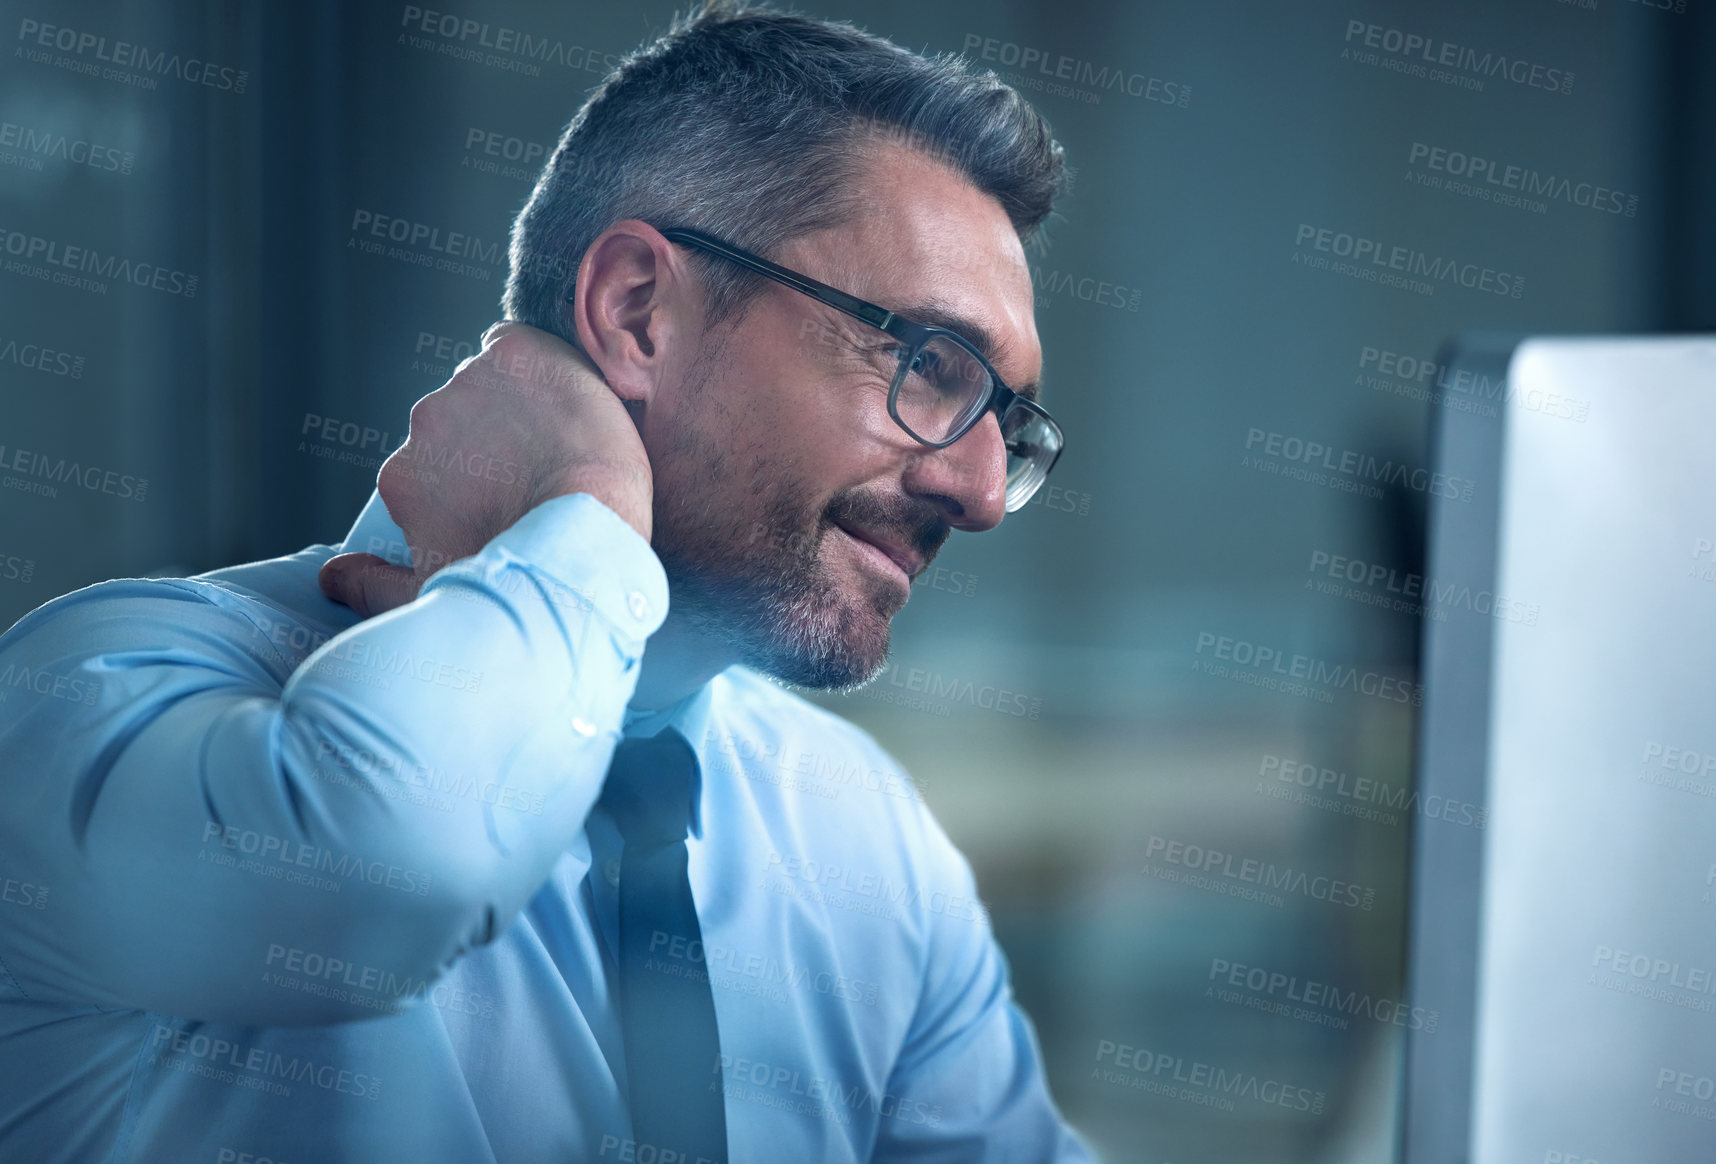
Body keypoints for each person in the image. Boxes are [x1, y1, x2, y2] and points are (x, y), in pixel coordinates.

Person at [0, 3, 1091, 1160]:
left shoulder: (867, 837)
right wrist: (587, 504)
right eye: (927, 364)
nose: (978, 490)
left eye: (1009, 429)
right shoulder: (93, 695)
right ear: (637, 313)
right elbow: (391, 870)